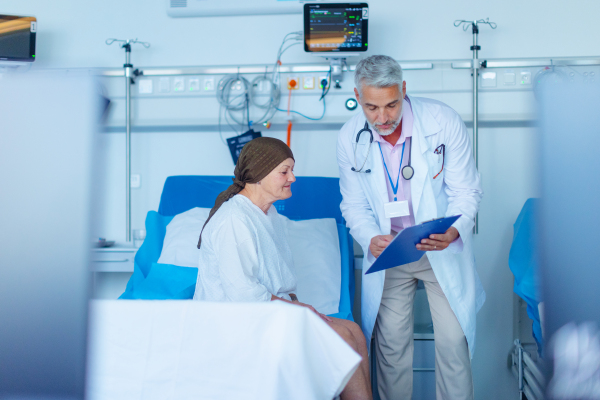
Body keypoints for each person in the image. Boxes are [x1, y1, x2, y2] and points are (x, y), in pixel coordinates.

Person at [337, 55, 485, 400]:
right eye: (372, 108)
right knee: (390, 346)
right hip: (391, 252)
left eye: (391, 105)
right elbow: (353, 205)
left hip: (439, 246)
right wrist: (370, 237)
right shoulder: (349, 137)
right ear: (358, 97)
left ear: (403, 90)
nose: (383, 117)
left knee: (453, 340)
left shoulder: (441, 121)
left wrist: (455, 230)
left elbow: (467, 191)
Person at [194, 137, 372, 400]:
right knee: (341, 339)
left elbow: (278, 278)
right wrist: (296, 308)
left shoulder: (268, 214)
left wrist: (295, 306)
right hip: (238, 323)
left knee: (354, 331)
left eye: (292, 170)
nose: (293, 178)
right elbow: (242, 293)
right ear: (259, 174)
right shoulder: (234, 220)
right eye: (284, 171)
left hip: (270, 314)